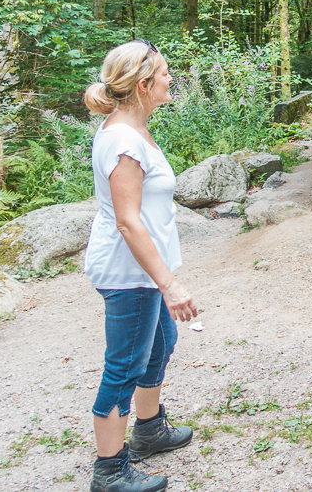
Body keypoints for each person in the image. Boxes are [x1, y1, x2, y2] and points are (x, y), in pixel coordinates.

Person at [82, 40, 198, 492]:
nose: (172, 79)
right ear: (145, 85)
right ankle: (109, 471)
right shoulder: (124, 142)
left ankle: (149, 430)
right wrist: (170, 285)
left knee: (161, 345)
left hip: (145, 271)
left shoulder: (134, 130)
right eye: (166, 73)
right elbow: (129, 223)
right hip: (129, 273)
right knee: (125, 365)